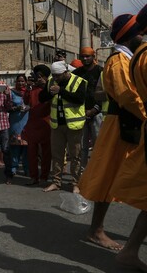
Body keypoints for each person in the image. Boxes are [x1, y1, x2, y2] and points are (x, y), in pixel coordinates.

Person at [78, 14, 145, 251]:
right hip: (121, 125)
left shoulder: (129, 59)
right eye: (141, 32)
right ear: (129, 36)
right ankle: (95, 231)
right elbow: (127, 96)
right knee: (108, 177)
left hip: (130, 123)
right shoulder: (118, 62)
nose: (143, 35)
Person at [109, 8, 147, 270]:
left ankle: (129, 251)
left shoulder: (135, 59)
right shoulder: (132, 60)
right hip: (122, 126)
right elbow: (126, 97)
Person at [40, 61, 87, 193]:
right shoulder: (51, 82)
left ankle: (76, 183)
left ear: (66, 72)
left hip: (74, 125)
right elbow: (41, 98)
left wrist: (61, 91)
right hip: (57, 124)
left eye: (58, 75)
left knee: (75, 156)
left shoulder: (79, 81)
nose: (55, 78)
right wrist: (50, 92)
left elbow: (80, 99)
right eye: (54, 75)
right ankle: (56, 182)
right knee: (57, 155)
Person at [72, 47, 104, 168]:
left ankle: (98, 173)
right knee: (81, 147)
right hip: (80, 114)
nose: (85, 58)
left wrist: (94, 110)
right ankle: (82, 174)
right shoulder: (76, 74)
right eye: (83, 56)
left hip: (98, 113)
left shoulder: (101, 71)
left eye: (87, 56)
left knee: (98, 146)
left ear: (93, 57)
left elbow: (105, 92)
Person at [23, 65, 52, 186]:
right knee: (31, 152)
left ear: (46, 77)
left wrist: (46, 86)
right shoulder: (32, 89)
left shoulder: (50, 89)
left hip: (46, 123)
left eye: (41, 76)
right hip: (33, 123)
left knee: (46, 153)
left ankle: (44, 176)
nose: (39, 79)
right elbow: (26, 101)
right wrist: (28, 88)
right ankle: (33, 176)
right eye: (37, 76)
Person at [9, 74, 29, 177]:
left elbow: (33, 104)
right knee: (15, 147)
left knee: (26, 148)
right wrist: (16, 108)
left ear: (25, 82)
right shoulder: (11, 92)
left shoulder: (29, 92)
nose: (20, 83)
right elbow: (8, 106)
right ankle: (13, 168)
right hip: (15, 122)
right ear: (15, 82)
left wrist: (28, 107)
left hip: (26, 123)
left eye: (22, 81)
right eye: (18, 81)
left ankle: (27, 169)